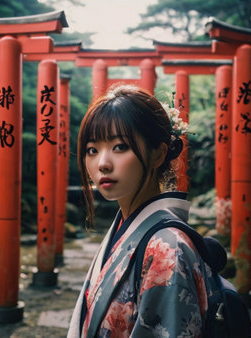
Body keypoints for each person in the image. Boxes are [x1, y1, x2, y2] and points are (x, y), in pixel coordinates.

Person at [68, 85, 211, 337]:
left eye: (120, 146)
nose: (102, 163)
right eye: (92, 150)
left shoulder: (167, 248)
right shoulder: (126, 228)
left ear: (158, 153)